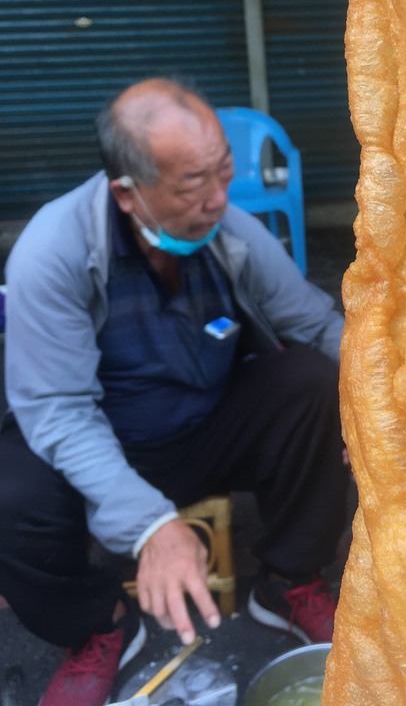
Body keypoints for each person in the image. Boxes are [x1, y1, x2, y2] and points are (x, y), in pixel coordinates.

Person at [0, 78, 349, 706]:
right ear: (127, 194)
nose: (220, 199)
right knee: (10, 492)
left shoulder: (231, 233)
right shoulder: (52, 253)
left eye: (224, 171)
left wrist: (384, 410)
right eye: (193, 183)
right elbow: (58, 411)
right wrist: (149, 523)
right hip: (100, 450)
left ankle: (287, 582)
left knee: (316, 384)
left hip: (204, 430)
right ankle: (99, 628)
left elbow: (317, 324)